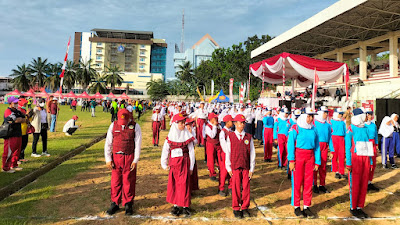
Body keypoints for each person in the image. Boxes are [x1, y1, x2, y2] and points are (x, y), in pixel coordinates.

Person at [104, 109, 142, 216]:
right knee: (115, 181)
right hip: (116, 157)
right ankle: (115, 203)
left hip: (129, 156)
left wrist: (135, 160)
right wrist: (108, 159)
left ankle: (128, 203)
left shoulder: (135, 126)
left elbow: (138, 144)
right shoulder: (113, 126)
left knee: (128, 181)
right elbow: (108, 143)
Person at [288, 107, 321, 218]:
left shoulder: (314, 129)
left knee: (308, 182)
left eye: (312, 116)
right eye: (308, 116)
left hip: (310, 157)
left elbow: (317, 146)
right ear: (303, 116)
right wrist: (291, 160)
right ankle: (296, 206)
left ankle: (306, 206)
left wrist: (317, 161)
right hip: (298, 156)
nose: (311, 118)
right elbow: (291, 144)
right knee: (297, 182)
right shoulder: (295, 128)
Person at [161, 113, 195, 217]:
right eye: (180, 123)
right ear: (175, 124)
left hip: (184, 163)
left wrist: (191, 166)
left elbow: (191, 151)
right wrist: (164, 163)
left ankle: (185, 206)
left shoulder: (187, 136)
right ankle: (176, 205)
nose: (183, 125)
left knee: (184, 184)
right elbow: (165, 150)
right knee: (174, 184)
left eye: (183, 123)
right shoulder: (170, 138)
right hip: (174, 165)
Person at [225, 114, 255, 218]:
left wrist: (252, 168)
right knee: (236, 187)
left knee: (246, 187)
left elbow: (252, 153)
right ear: (235, 124)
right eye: (239, 123)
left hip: (246, 166)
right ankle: (236, 207)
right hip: (235, 165)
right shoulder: (231, 136)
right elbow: (228, 152)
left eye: (243, 123)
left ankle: (245, 207)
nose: (241, 125)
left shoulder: (248, 137)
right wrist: (228, 167)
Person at [345, 108, 371, 219]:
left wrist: (369, 161)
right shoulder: (351, 129)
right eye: (364, 115)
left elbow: (367, 144)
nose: (365, 117)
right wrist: (349, 163)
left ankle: (360, 206)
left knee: (364, 182)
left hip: (365, 157)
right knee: (355, 183)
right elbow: (348, 147)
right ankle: (353, 207)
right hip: (356, 159)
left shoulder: (365, 128)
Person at [2, 96, 26, 173]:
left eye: (17, 102)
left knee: (17, 150)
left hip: (18, 133)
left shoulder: (17, 111)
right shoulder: (8, 111)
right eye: (15, 102)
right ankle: (5, 167)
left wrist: (22, 119)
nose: (16, 104)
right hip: (10, 134)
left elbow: (24, 118)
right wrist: (21, 119)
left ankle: (14, 164)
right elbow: (15, 120)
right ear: (10, 103)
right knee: (8, 151)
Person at [313, 106, 331, 194]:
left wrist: (332, 150)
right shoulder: (314, 123)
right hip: (316, 146)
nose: (326, 114)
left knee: (323, 166)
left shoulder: (328, 125)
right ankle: (314, 184)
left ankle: (322, 184)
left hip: (324, 147)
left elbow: (330, 138)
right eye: (324, 112)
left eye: (327, 112)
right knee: (316, 165)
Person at [364, 108, 380, 191]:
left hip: (373, 144)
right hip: (366, 144)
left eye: (371, 115)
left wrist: (376, 144)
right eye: (368, 115)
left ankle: (369, 181)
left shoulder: (373, 125)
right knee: (367, 164)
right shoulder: (363, 125)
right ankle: (365, 182)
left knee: (373, 164)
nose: (370, 116)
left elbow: (376, 135)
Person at [218, 115, 234, 197]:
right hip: (225, 154)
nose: (233, 123)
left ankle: (231, 186)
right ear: (227, 122)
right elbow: (223, 145)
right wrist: (228, 154)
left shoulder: (231, 131)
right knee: (224, 172)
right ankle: (221, 188)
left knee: (231, 170)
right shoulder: (223, 132)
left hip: (231, 153)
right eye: (231, 121)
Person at [330, 108, 347, 179]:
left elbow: (345, 131)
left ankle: (341, 171)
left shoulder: (342, 122)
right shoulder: (331, 122)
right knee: (334, 155)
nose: (341, 115)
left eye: (342, 114)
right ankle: (336, 171)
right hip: (334, 138)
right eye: (340, 114)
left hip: (341, 138)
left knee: (342, 155)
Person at [204, 113, 221, 181]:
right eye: (215, 118)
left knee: (219, 157)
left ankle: (221, 171)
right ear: (211, 120)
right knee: (211, 159)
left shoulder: (218, 126)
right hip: (211, 144)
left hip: (218, 143)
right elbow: (212, 135)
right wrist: (214, 126)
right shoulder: (208, 127)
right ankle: (212, 174)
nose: (216, 119)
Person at [186, 118, 199, 192]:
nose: (190, 125)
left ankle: (192, 188)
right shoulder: (183, 131)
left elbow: (195, 141)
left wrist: (191, 134)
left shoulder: (192, 131)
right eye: (189, 124)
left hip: (191, 152)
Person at [17, 98, 32, 163]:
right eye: (25, 104)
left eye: (26, 104)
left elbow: (27, 119)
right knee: (20, 144)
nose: (25, 105)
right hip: (20, 129)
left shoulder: (24, 109)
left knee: (24, 143)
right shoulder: (19, 110)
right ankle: (17, 158)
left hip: (25, 129)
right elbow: (22, 118)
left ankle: (22, 157)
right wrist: (27, 114)